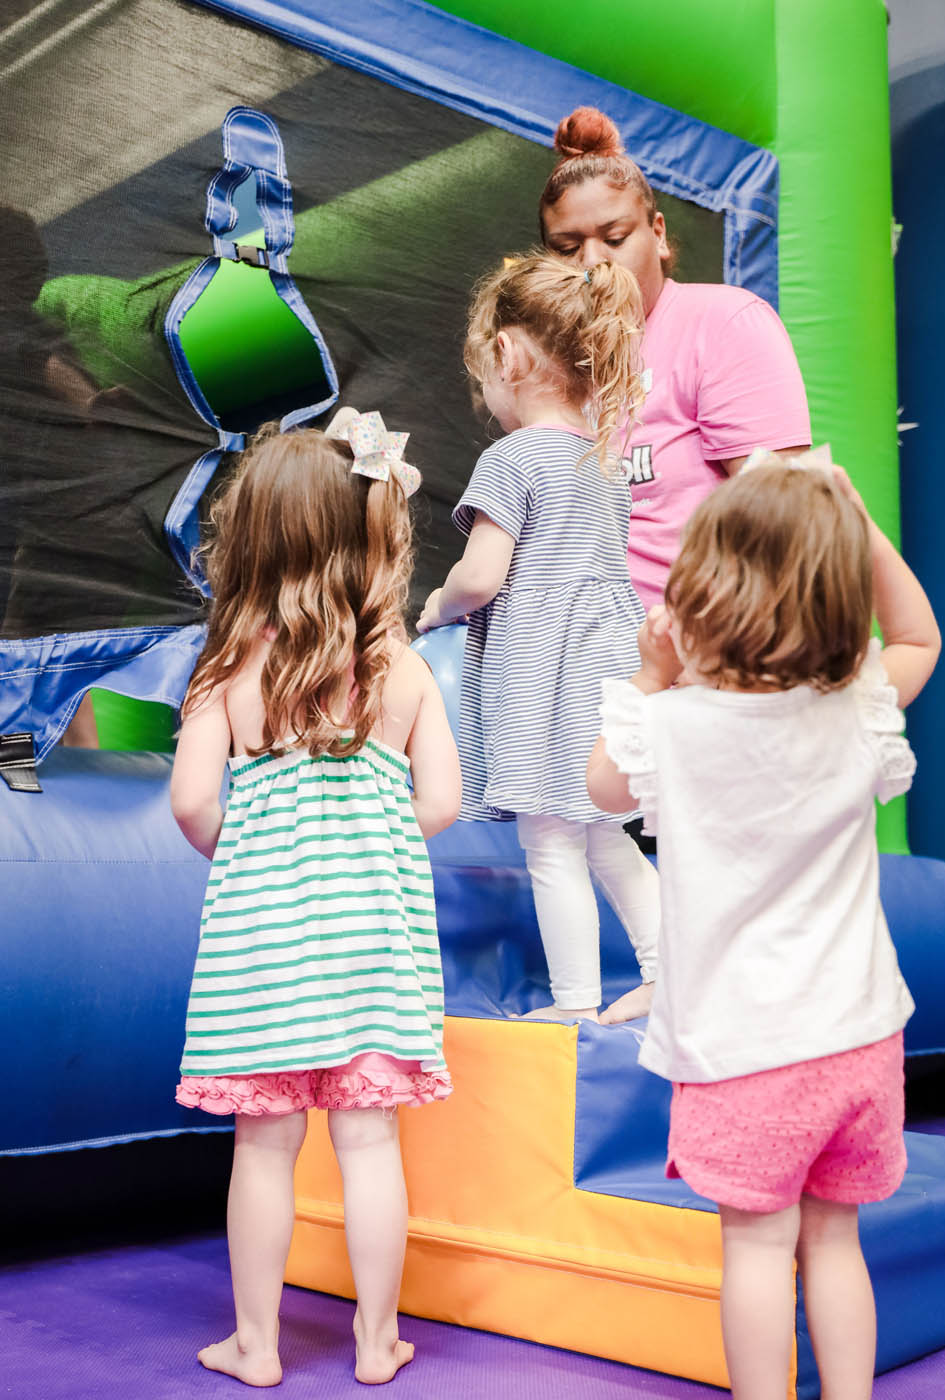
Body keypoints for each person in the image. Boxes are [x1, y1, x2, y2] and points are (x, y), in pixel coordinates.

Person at [587, 451, 941, 1400]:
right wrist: (856, 522)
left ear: (699, 594)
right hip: (860, 1041)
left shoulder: (673, 727)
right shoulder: (857, 710)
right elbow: (919, 634)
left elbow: (598, 785)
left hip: (746, 1054)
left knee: (755, 1249)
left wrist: (652, 673)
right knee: (835, 1239)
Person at [170, 414, 461, 1389]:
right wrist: (368, 838)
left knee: (264, 1147)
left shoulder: (227, 672)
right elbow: (443, 802)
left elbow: (192, 801)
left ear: (249, 542)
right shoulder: (401, 670)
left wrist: (245, 847)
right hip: (372, 948)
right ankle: (377, 1340)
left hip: (264, 951)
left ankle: (257, 1343)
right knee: (370, 1139)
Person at [416, 253, 660, 1025]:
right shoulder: (604, 459)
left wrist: (436, 604)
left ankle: (575, 1005)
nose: (486, 396)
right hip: (608, 663)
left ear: (511, 356)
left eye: (484, 374)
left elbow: (483, 576)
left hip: (545, 671)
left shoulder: (511, 457)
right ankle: (667, 973)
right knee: (604, 833)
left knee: (551, 841)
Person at [538, 107, 812, 613]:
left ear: (659, 235)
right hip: (588, 665)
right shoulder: (550, 369)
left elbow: (792, 523)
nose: (594, 262)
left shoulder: (724, 323)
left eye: (614, 239)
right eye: (567, 247)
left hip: (704, 655)